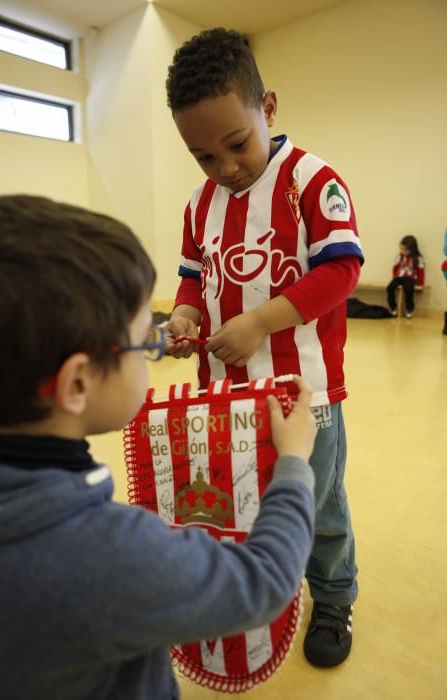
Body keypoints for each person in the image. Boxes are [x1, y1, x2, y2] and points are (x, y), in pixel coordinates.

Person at [0, 194, 318, 700]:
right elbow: (264, 581)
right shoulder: (107, 556)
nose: (156, 350)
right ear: (77, 384)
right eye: (145, 342)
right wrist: (292, 465)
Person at [164, 28, 364, 668]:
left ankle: (333, 596)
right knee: (242, 497)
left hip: (305, 393)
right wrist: (186, 311)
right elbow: (194, 275)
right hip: (225, 394)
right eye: (203, 156)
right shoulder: (198, 205)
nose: (224, 168)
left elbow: (341, 271)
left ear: (267, 108)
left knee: (319, 502)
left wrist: (258, 323)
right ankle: (269, 589)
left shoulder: (311, 179)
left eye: (236, 144)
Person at [386, 235, 425, 318]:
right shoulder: (399, 257)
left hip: (410, 278)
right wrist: (394, 279)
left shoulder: (418, 259)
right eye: (402, 249)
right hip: (399, 277)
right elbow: (395, 269)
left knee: (408, 288)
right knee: (390, 287)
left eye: (405, 250)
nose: (403, 251)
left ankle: (409, 309)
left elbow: (421, 272)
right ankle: (393, 307)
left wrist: (420, 284)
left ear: (412, 249)